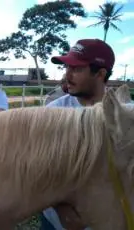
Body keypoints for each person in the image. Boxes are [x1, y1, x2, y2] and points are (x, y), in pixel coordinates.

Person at [43, 38, 116, 230]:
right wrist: (60, 207)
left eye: (76, 69)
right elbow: (39, 167)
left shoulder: (123, 115)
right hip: (55, 222)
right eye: (66, 67)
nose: (67, 75)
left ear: (100, 73)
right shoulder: (52, 112)